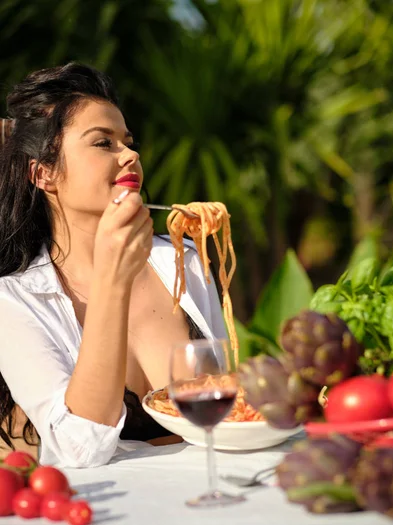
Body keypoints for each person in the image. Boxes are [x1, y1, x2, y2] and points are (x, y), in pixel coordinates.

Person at [0, 63, 227, 468]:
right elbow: (79, 450)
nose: (131, 154)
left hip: (210, 493)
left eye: (128, 141)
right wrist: (112, 281)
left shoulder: (184, 261)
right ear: (44, 173)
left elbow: (224, 406)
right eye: (103, 143)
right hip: (108, 516)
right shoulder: (14, 301)